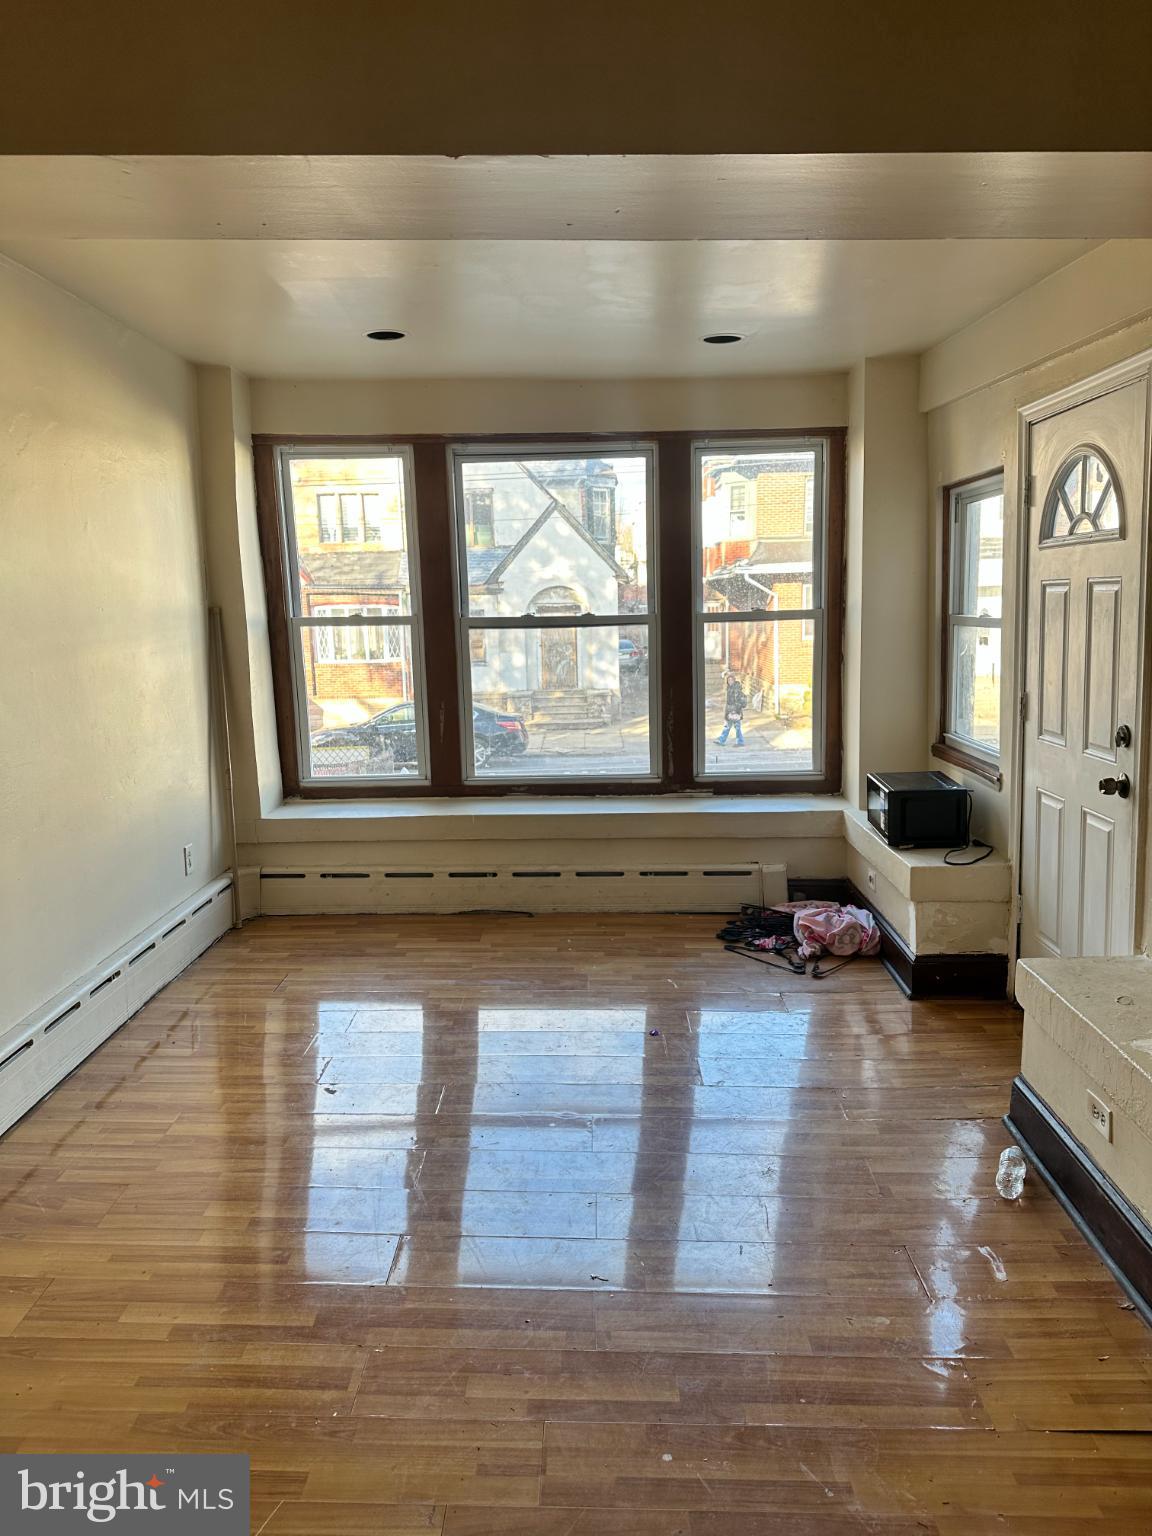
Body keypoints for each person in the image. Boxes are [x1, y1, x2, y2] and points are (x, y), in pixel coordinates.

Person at [715, 670, 747, 746]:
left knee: (736, 727)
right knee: (729, 726)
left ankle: (739, 742)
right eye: (728, 680)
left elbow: (737, 701)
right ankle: (723, 740)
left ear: (734, 680)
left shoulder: (736, 688)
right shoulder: (729, 688)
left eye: (731, 679)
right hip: (729, 710)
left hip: (735, 711)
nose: (730, 681)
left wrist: (734, 711)